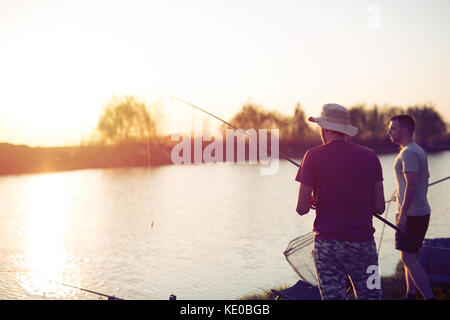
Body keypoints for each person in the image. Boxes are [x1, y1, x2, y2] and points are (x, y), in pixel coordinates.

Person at [295, 103, 385, 300]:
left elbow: (301, 209)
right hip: (364, 247)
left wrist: (316, 199)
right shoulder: (370, 156)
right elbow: (379, 207)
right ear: (345, 130)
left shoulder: (312, 156)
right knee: (372, 296)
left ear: (324, 128)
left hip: (327, 247)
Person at [388, 115, 434, 300]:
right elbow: (424, 177)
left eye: (393, 129)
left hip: (412, 215)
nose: (389, 132)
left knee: (408, 258)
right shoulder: (417, 151)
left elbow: (413, 184)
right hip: (419, 212)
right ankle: (410, 295)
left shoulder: (408, 153)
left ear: (405, 130)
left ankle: (429, 297)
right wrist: (399, 196)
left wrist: (404, 214)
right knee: (410, 256)